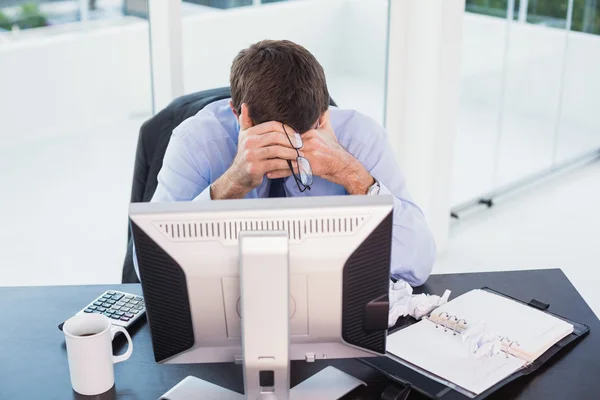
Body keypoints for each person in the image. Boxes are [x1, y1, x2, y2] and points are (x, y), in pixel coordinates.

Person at [150, 40, 435, 286]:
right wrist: (228, 186)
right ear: (238, 114)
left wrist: (352, 175)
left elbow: (418, 264)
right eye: (271, 141)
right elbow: (150, 269)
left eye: (303, 138)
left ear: (323, 116)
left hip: (330, 299)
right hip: (229, 299)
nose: (287, 157)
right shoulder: (196, 141)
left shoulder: (360, 137)